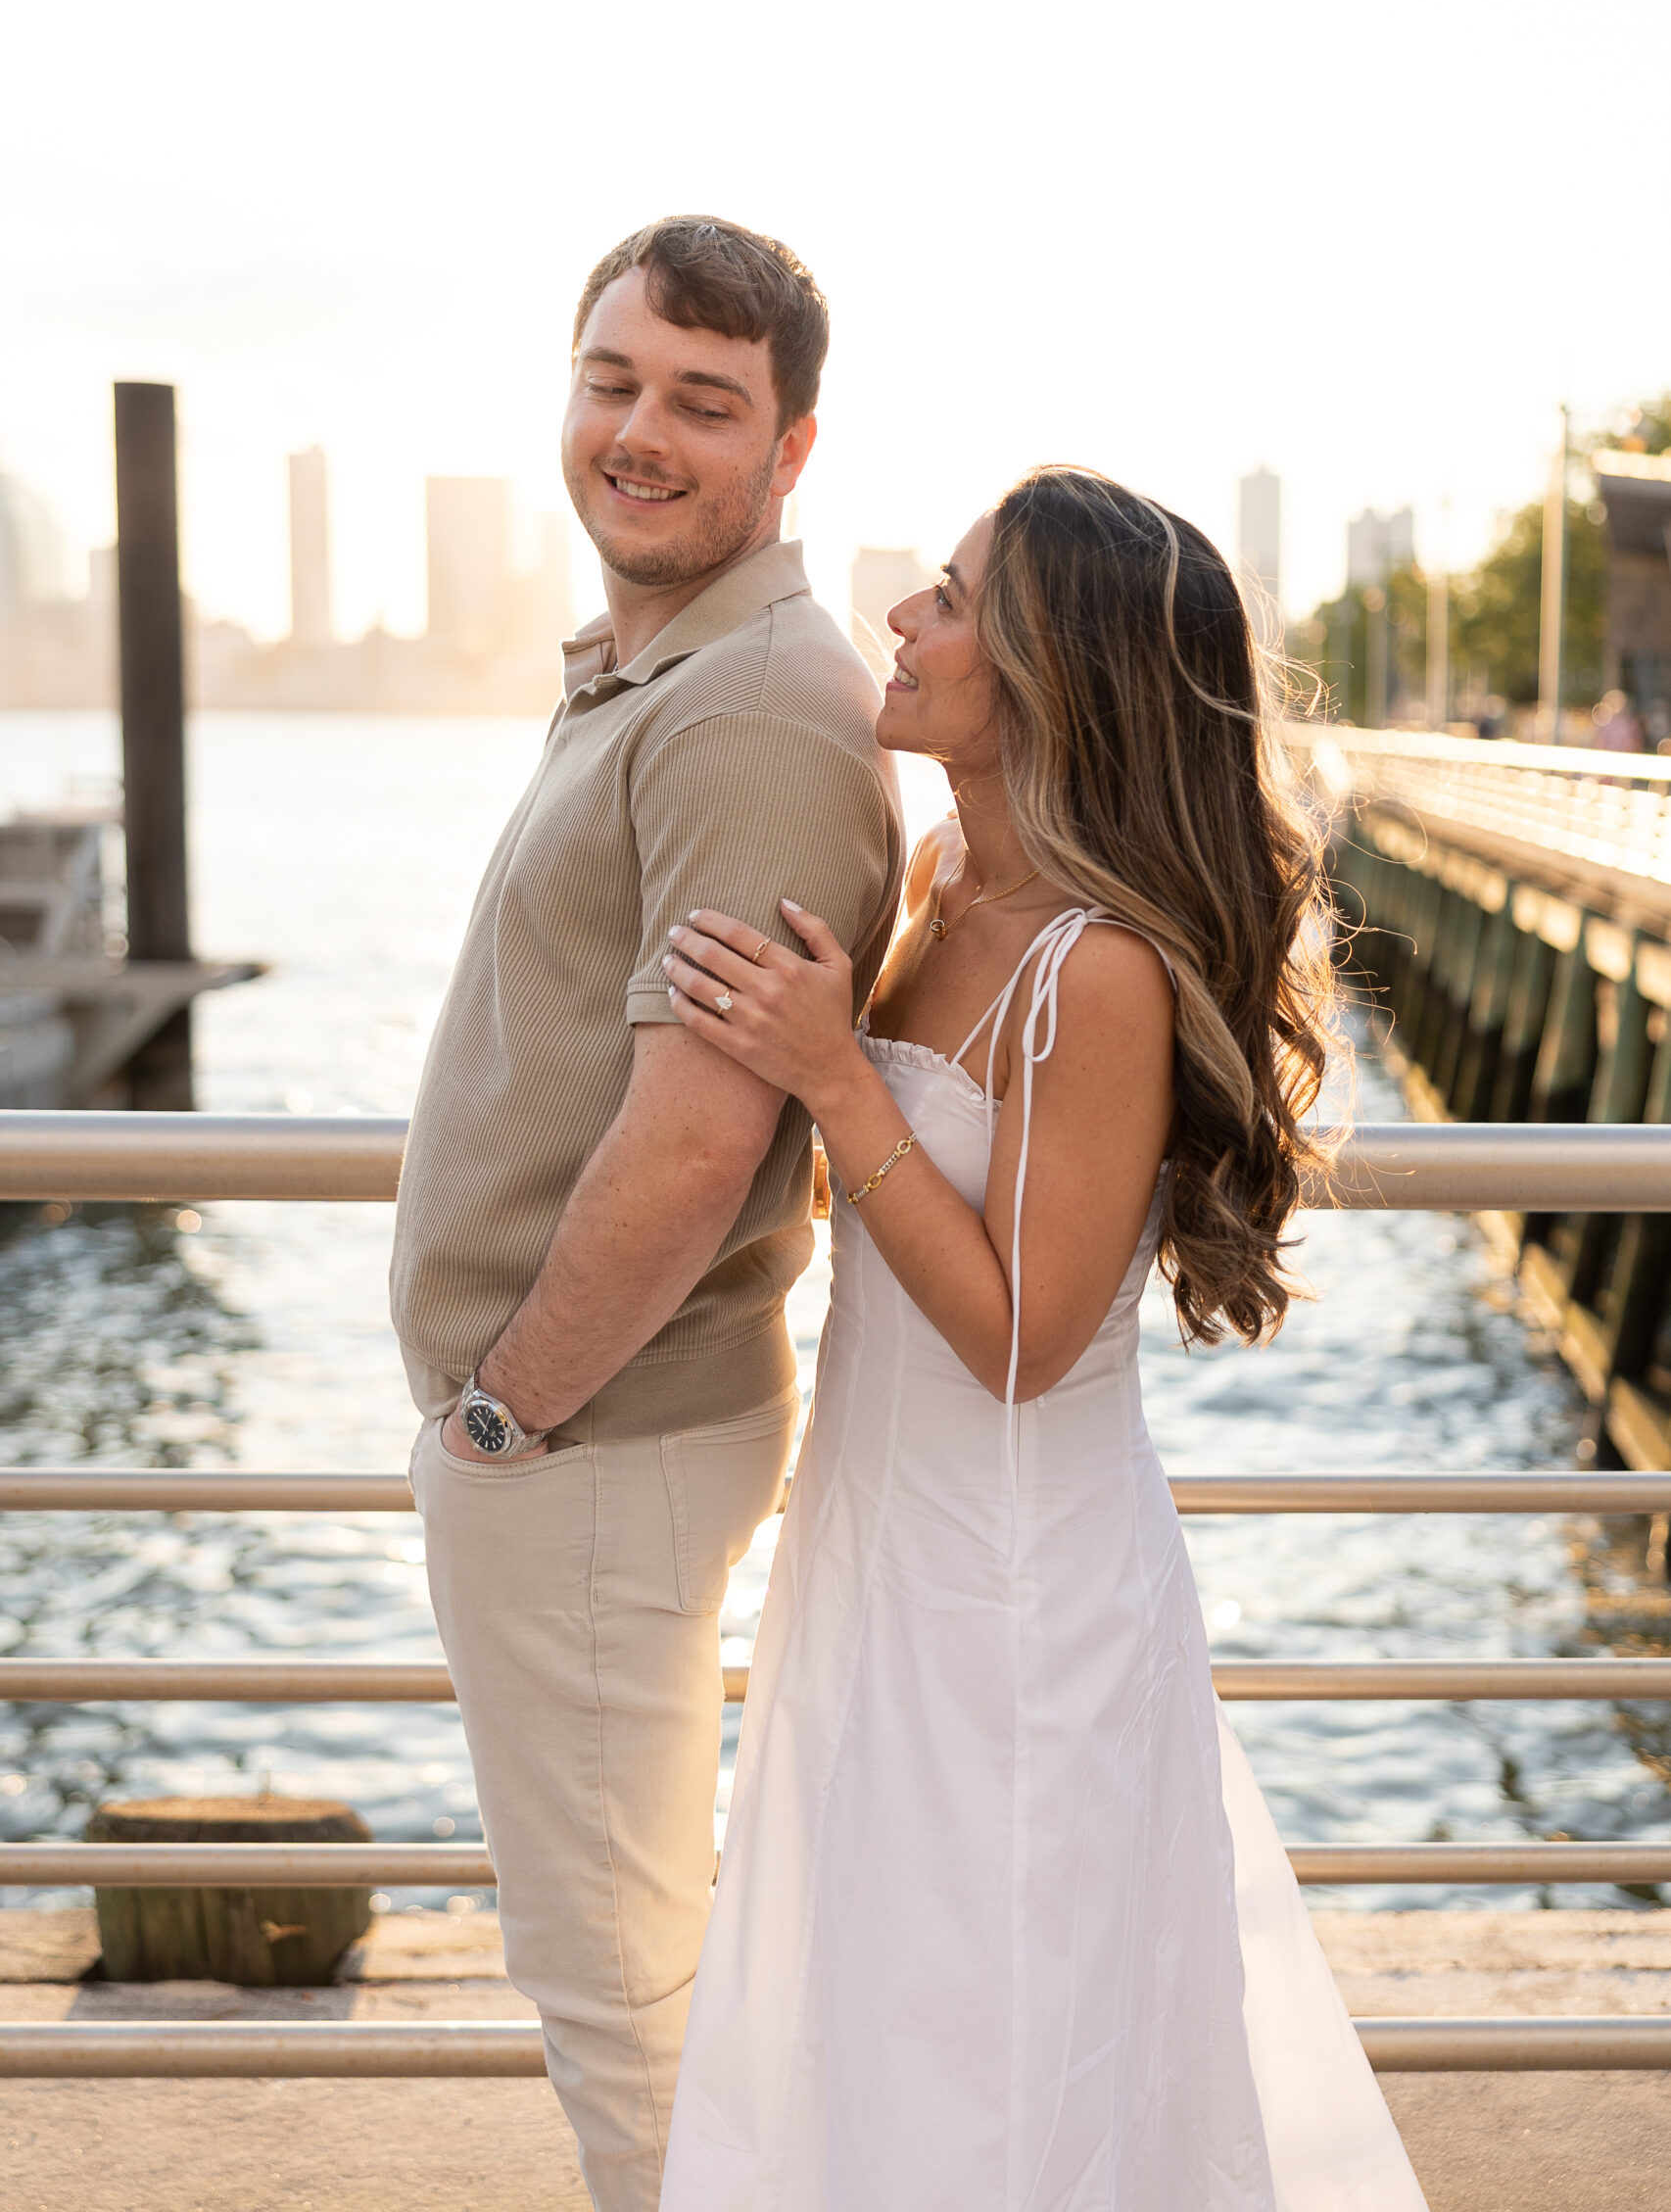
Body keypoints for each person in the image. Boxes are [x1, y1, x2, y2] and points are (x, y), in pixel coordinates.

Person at [657, 468, 1428, 2210]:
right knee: (871, 2020)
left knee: (998, 2051)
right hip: (872, 1542)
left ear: (1049, 674)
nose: (903, 617)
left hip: (1014, 1596)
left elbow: (1023, 1340)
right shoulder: (940, 877)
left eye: (949, 598)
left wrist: (831, 1073)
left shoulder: (1093, 970)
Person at [391, 216, 904, 2212]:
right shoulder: (670, 672)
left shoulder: (752, 707)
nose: (640, 433)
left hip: (590, 1439)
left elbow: (696, 1143)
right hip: (584, 1437)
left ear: (789, 448)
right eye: (612, 383)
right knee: (633, 1978)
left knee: (621, 1999)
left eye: (702, 401)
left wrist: (503, 1413)